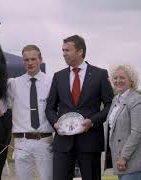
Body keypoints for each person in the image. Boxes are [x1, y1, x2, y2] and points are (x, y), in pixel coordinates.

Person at [45, 35, 114, 180]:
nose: (64, 53)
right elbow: (49, 108)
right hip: (63, 143)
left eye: (67, 50)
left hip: (90, 142)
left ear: (80, 51)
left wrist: (92, 121)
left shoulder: (100, 74)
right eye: (63, 50)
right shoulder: (58, 76)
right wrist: (55, 123)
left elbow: (110, 105)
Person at [7, 45, 54, 180]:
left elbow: (58, 111)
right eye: (26, 60)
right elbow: (1, 110)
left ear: (41, 60)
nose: (30, 63)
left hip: (45, 141)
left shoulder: (51, 82)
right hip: (21, 142)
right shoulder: (14, 84)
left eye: (33, 59)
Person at [104, 64, 141, 180]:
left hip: (134, 159)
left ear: (131, 81)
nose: (118, 81)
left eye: (122, 78)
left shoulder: (137, 101)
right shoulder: (116, 99)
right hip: (121, 160)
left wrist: (124, 157)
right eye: (115, 78)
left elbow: (136, 133)